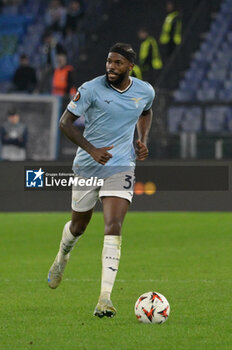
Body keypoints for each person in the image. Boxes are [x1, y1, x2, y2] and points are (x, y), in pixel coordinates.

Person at [47, 43, 155, 318]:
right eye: (109, 61)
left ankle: (104, 298)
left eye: (118, 63)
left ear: (130, 66)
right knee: (78, 226)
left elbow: (146, 112)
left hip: (121, 167)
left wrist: (142, 140)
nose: (111, 67)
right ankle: (62, 256)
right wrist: (91, 149)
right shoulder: (91, 89)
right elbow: (65, 123)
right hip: (87, 167)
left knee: (114, 225)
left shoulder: (144, 91)